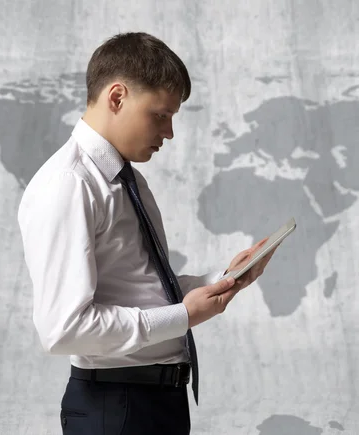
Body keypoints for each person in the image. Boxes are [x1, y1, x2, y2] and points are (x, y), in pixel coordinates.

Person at [17, 32, 277, 435]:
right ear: (116, 98)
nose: (169, 132)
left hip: (154, 403)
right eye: (160, 115)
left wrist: (225, 278)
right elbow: (63, 330)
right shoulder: (69, 185)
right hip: (116, 409)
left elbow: (139, 286)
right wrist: (184, 315)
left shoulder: (125, 180)